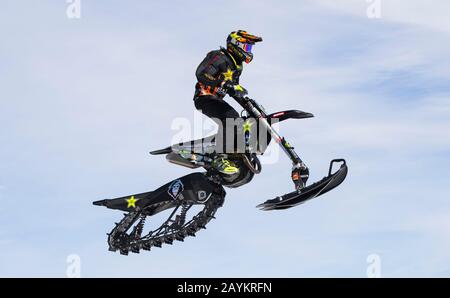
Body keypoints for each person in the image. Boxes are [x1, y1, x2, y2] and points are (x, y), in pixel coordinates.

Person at [193, 30, 262, 175]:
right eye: (247, 47)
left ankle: (235, 153)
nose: (249, 51)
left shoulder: (236, 66)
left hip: (216, 99)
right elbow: (201, 73)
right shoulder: (219, 56)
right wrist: (224, 83)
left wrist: (247, 104)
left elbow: (232, 90)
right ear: (236, 44)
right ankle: (219, 158)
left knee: (243, 122)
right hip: (204, 98)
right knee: (231, 118)